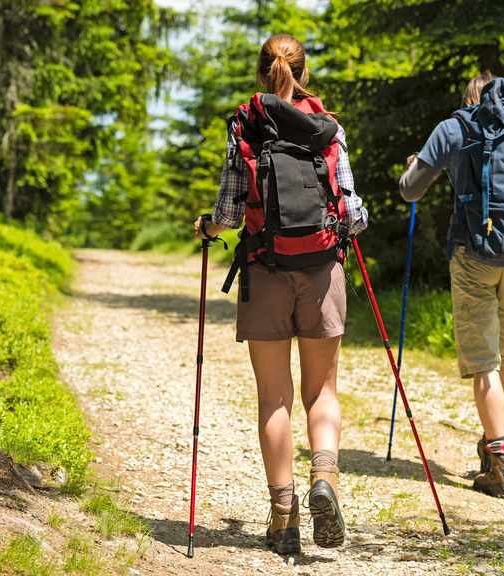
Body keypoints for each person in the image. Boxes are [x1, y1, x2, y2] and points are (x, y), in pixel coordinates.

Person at [193, 34, 368, 554]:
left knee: (275, 397)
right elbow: (352, 212)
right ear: (304, 73)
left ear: (260, 73)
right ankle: (326, 480)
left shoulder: (244, 125)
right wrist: (347, 228)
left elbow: (229, 210)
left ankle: (283, 518)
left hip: (264, 271)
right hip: (321, 272)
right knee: (322, 392)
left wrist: (208, 227)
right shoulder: (328, 128)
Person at [398, 72, 504, 499]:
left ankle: (502, 461)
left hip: (472, 252)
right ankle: (496, 445)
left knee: (483, 361)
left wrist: (412, 168)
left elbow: (410, 191)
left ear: (469, 97)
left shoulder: (454, 127)